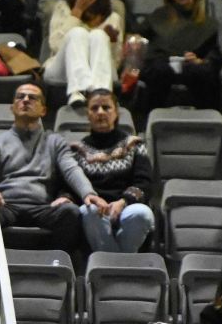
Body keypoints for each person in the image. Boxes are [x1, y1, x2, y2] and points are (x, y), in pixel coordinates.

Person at [62, 89, 154, 252]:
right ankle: (119, 267)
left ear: (116, 112)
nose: (100, 112)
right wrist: (65, 198)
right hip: (95, 210)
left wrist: (123, 202)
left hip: (126, 207)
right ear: (87, 114)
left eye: (106, 107)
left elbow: (144, 183)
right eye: (94, 108)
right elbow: (69, 186)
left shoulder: (134, 144)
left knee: (142, 213)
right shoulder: (76, 149)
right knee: (88, 211)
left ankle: (109, 266)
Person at [136, 0, 221, 117]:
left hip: (192, 67)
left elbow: (213, 55)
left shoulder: (210, 24)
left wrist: (199, 61)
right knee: (157, 70)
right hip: (161, 64)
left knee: (203, 73)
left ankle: (205, 122)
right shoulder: (159, 16)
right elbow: (138, 35)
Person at [41, 0, 124, 104]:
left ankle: (101, 94)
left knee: (98, 35)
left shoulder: (113, 16)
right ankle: (78, 91)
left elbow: (116, 61)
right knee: (78, 33)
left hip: (102, 72)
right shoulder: (62, 7)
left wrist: (111, 42)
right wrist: (77, 11)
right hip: (62, 69)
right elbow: (56, 45)